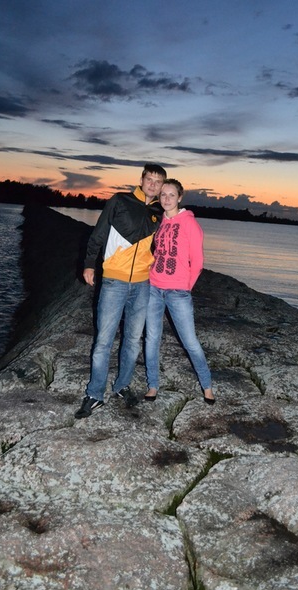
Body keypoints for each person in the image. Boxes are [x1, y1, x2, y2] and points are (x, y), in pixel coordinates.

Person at [74, 163, 167, 419]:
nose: (153, 185)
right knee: (103, 341)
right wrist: (89, 264)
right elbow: (99, 232)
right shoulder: (120, 201)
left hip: (142, 283)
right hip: (114, 280)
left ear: (162, 186)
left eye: (158, 182)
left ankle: (122, 386)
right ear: (142, 180)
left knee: (132, 341)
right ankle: (95, 394)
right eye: (149, 179)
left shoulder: (160, 211)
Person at [144, 178, 215, 404]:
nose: (166, 199)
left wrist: (185, 287)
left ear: (180, 197)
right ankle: (152, 385)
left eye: (171, 195)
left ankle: (207, 386)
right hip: (154, 288)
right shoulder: (159, 222)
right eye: (163, 195)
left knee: (190, 341)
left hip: (178, 292)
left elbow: (198, 262)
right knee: (151, 338)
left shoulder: (189, 223)